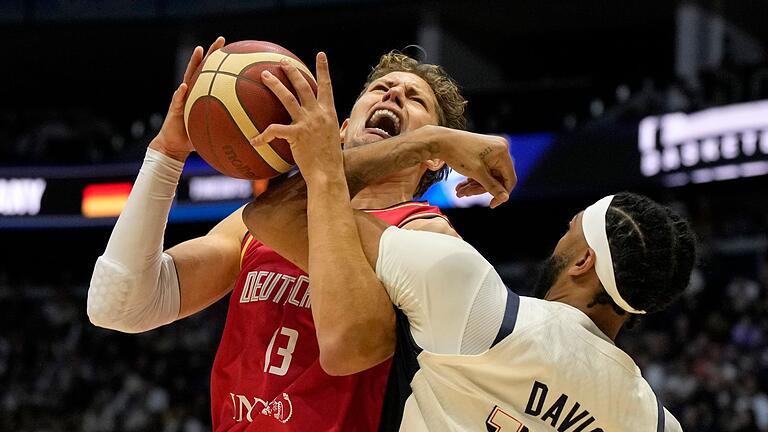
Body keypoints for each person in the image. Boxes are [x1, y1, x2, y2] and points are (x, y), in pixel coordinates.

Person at [241, 53, 695, 431]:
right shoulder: (654, 422)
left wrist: (421, 142)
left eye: (568, 231)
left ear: (583, 261)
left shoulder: (478, 304)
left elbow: (276, 212)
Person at [86, 37, 515, 431]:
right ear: (341, 128)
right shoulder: (261, 221)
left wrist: (428, 141)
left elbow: (352, 348)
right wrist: (167, 154)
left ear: (431, 160)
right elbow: (121, 305)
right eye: (380, 89)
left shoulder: (428, 235)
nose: (394, 94)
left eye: (415, 99)